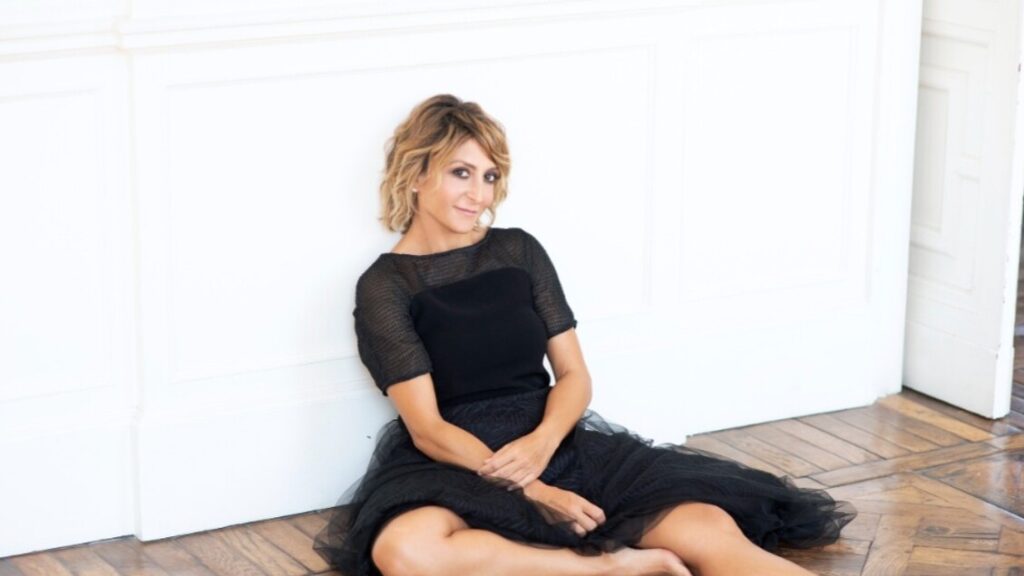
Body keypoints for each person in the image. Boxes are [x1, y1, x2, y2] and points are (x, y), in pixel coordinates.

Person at [313, 94, 857, 576]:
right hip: (460, 460)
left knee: (707, 526)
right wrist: (532, 487)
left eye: (490, 176)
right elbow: (428, 428)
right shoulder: (384, 285)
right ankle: (608, 567)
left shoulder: (519, 250)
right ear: (415, 173)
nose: (478, 193)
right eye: (461, 173)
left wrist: (543, 444)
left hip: (552, 437)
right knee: (406, 551)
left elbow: (574, 374)